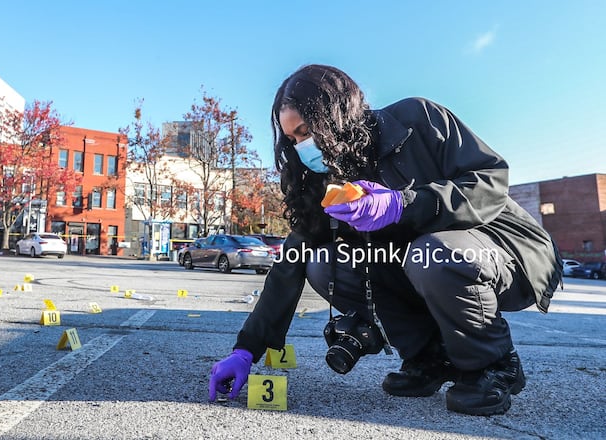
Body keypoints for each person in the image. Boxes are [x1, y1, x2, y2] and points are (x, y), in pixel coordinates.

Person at [208, 64, 562, 416]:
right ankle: (428, 357)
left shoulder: (417, 119)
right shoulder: (329, 179)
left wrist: (402, 204)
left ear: (335, 115)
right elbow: (292, 259)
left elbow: (490, 181)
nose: (302, 147)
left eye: (305, 132)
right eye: (293, 140)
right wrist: (245, 350)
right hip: (429, 269)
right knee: (325, 263)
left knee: (432, 253)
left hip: (505, 252)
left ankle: (494, 364)